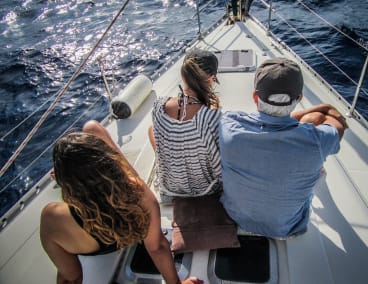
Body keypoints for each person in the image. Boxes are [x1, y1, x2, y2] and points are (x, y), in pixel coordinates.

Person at [40, 120, 202, 284]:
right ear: (109, 163)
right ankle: (93, 171)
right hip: (130, 226)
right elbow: (157, 247)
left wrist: (70, 179)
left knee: (91, 129)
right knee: (92, 127)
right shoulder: (139, 195)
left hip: (91, 243)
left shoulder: (51, 218)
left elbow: (72, 276)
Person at [218, 57, 348, 239]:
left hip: (236, 217)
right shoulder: (317, 141)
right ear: (299, 98)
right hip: (285, 228)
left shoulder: (228, 125)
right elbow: (339, 124)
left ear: (255, 97)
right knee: (314, 121)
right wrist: (324, 108)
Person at [148, 49, 222, 201]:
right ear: (211, 79)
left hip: (170, 187)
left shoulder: (159, 107)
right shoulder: (211, 116)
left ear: (183, 75)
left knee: (151, 129)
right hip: (206, 190)